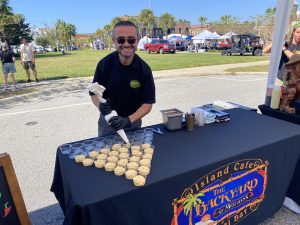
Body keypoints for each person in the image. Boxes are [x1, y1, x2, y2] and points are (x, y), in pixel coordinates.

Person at [89, 21, 156, 137]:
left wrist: (128, 120)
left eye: (131, 40)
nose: (126, 44)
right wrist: (100, 106)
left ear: (138, 40)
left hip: (133, 122)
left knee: (134, 153)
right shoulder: (104, 65)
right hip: (108, 123)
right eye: (121, 40)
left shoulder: (144, 69)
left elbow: (147, 104)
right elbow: (93, 93)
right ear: (113, 40)